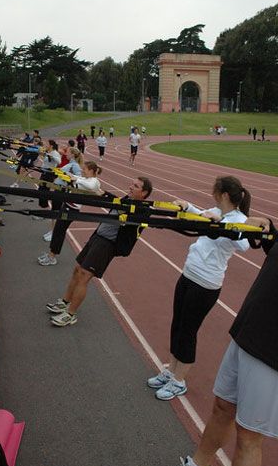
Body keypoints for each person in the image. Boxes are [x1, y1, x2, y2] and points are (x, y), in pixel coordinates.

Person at [156, 217, 277, 466]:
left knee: (248, 436)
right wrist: (268, 227)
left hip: (272, 350)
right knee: (222, 407)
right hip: (248, 328)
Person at [147, 176, 251, 401]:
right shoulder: (215, 209)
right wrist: (186, 206)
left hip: (206, 284)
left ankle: (179, 381)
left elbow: (244, 244)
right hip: (188, 274)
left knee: (188, 330)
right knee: (177, 324)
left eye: (214, 189)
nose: (211, 192)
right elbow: (201, 212)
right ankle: (171, 370)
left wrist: (219, 223)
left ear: (223, 194)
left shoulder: (240, 219)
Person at [46, 176, 153, 326]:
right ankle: (65, 302)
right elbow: (114, 201)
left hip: (107, 244)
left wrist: (107, 196)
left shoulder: (144, 210)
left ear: (144, 193)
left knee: (84, 275)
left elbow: (131, 217)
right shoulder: (126, 200)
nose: (130, 187)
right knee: (77, 270)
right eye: (132, 184)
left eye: (135, 186)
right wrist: (99, 192)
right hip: (97, 238)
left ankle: (71, 314)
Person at [38, 160, 102, 266]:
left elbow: (90, 186)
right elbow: (79, 178)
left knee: (59, 232)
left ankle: (52, 257)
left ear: (90, 170)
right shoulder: (86, 179)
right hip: (67, 207)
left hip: (72, 210)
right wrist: (66, 174)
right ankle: (51, 254)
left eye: (84, 169)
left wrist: (75, 179)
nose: (82, 171)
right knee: (58, 231)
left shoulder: (94, 181)